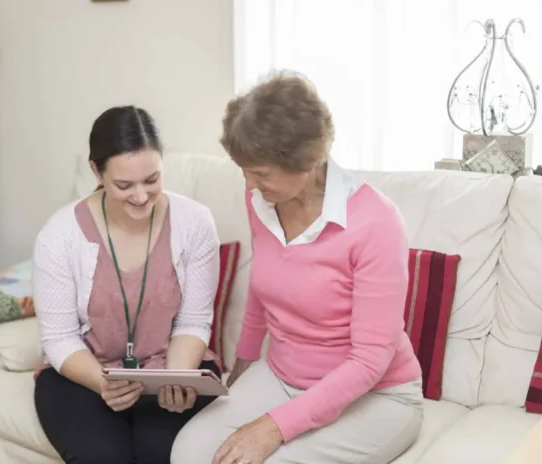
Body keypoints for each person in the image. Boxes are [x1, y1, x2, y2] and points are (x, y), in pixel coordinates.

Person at [171, 71, 424, 464]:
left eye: (261, 173)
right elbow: (262, 289)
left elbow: (370, 360)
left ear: (307, 161)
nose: (249, 184)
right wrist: (242, 371)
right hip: (281, 377)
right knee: (189, 450)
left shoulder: (376, 222)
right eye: (244, 169)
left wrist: (272, 426)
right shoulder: (262, 201)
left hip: (376, 396)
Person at [32, 105, 222, 464]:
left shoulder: (195, 223)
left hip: (171, 367)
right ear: (97, 172)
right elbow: (58, 338)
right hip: (85, 374)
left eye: (152, 180)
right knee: (102, 456)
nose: (141, 196)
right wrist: (101, 382)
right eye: (124, 185)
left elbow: (193, 321)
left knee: (163, 452)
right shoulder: (59, 236)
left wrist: (178, 377)